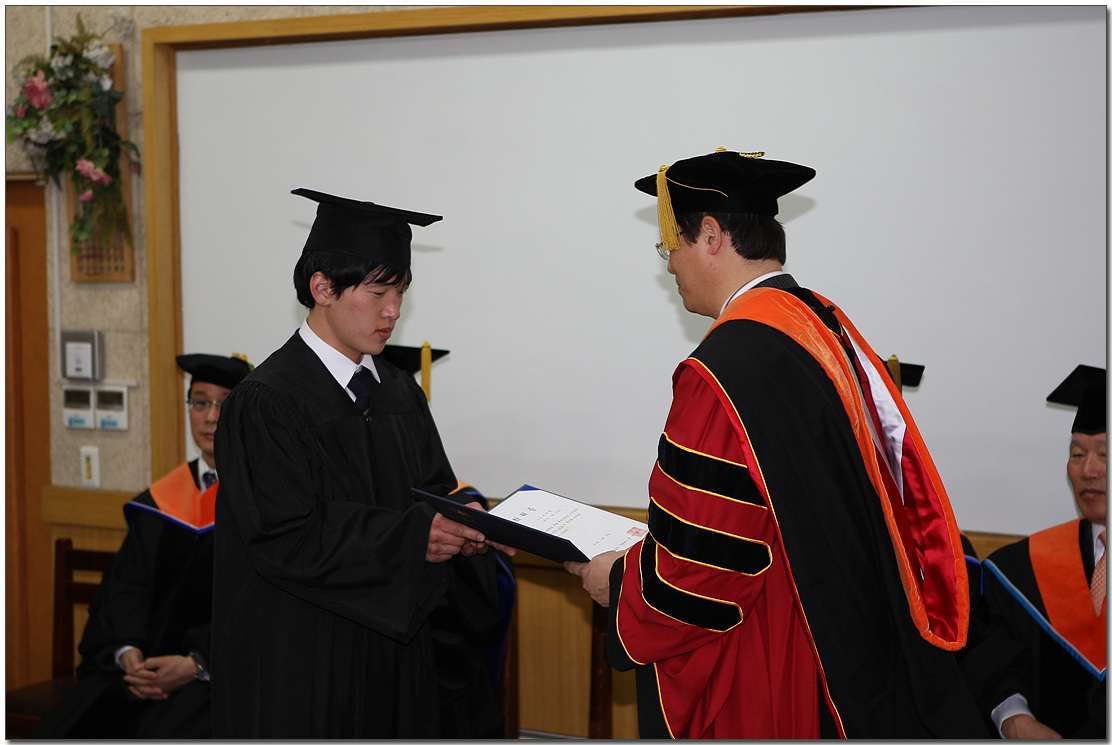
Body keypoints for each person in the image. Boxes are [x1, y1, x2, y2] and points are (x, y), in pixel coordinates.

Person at [566, 148, 988, 738]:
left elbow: (703, 568)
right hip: (847, 631)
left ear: (710, 236)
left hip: (775, 650)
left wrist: (618, 582)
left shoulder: (725, 368)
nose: (670, 266)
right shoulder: (818, 324)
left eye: (671, 247)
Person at [210, 188, 512, 738]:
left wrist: (467, 522)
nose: (393, 310)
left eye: (401, 291)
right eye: (378, 292)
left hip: (395, 645)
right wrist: (415, 536)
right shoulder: (267, 401)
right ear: (322, 288)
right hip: (303, 653)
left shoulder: (398, 390)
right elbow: (283, 532)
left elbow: (434, 490)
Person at [28, 353, 253, 739]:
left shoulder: (260, 504)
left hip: (216, 677)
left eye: (225, 404)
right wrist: (126, 651)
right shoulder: (161, 502)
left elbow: (256, 607)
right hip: (140, 674)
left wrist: (197, 663)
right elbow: (125, 587)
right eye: (200, 402)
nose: (211, 417)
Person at [962, 364, 1106, 738]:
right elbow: (995, 663)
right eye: (1077, 454)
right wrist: (1016, 721)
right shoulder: (1023, 568)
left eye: (1104, 454)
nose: (1088, 470)